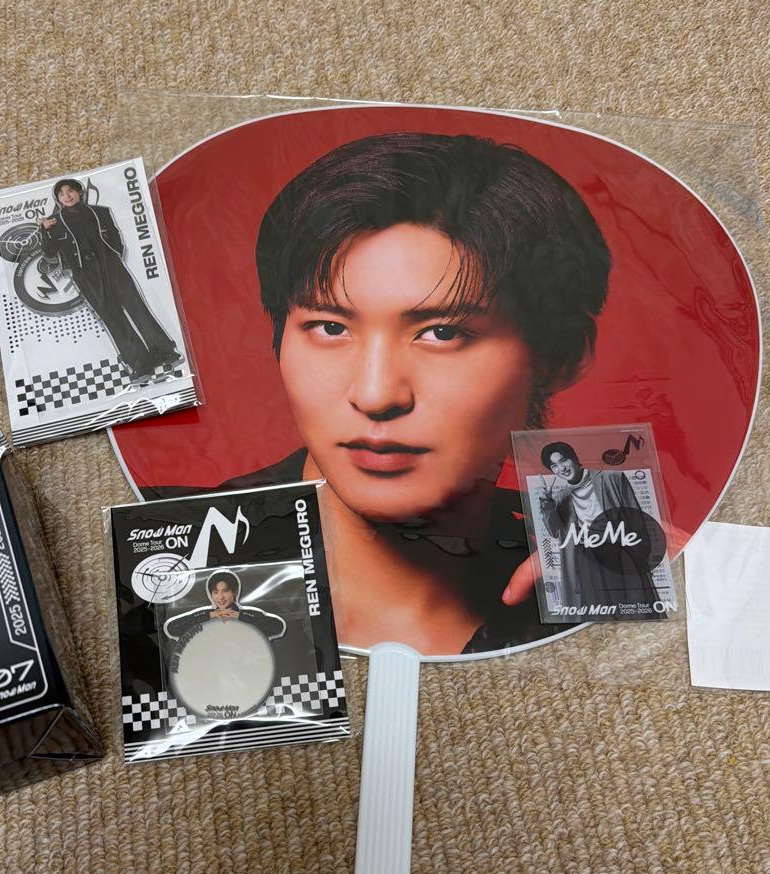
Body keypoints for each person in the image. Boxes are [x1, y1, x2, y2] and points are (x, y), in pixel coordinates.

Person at [232, 131, 613, 655]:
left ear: (561, 356)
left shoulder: (595, 572)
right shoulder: (163, 549)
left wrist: (686, 586)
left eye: (442, 332)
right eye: (330, 327)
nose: (375, 394)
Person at [37, 178, 181, 383]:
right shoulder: (53, 222)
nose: (67, 196)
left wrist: (113, 257)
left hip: (112, 266)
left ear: (79, 192)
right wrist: (45, 231)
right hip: (85, 274)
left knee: (136, 307)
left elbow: (114, 236)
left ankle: (165, 351)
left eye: (70, 191)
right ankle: (139, 363)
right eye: (61, 194)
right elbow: (50, 253)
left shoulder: (101, 212)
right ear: (58, 199)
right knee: (110, 315)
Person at [538, 441, 661, 611]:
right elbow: (555, 532)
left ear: (575, 457)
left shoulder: (612, 478)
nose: (562, 468)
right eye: (554, 466)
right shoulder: (562, 496)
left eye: (564, 460)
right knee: (602, 612)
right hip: (589, 560)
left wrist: (643, 556)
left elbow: (636, 520)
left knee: (634, 606)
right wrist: (547, 504)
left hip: (621, 553)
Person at [163, 570, 286, 641]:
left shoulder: (249, 615)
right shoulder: (205, 617)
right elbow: (172, 629)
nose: (220, 597)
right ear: (211, 594)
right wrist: (208, 615)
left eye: (225, 591)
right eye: (215, 592)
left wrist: (240, 616)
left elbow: (277, 627)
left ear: (234, 592)